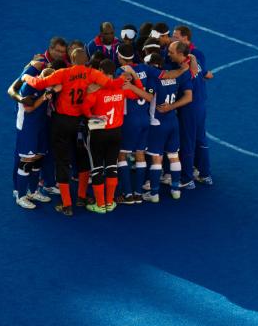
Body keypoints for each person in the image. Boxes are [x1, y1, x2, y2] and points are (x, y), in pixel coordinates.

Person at [22, 48, 131, 215]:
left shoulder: (64, 73)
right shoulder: (92, 73)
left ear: (72, 61)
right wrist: (125, 76)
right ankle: (81, 196)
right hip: (83, 122)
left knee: (62, 161)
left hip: (63, 122)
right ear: (86, 60)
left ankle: (67, 205)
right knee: (83, 159)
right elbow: (112, 84)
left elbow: (39, 84)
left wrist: (25, 76)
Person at [82, 59, 146, 213]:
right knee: (112, 167)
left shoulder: (96, 89)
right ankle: (110, 203)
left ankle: (100, 204)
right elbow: (139, 94)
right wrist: (134, 76)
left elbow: (85, 109)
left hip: (98, 130)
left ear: (101, 72)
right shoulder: (121, 87)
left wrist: (93, 116)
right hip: (116, 132)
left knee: (97, 168)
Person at [142, 52, 192, 202]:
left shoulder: (152, 79)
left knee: (157, 159)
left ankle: (154, 194)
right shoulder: (173, 77)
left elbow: (147, 98)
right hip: (173, 120)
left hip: (157, 123)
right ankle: (176, 190)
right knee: (173, 156)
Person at [172, 26, 214, 186]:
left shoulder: (185, 59)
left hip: (189, 105)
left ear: (185, 38)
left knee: (188, 140)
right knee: (200, 138)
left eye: (175, 37)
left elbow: (190, 74)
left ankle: (187, 179)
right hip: (200, 103)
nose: (172, 38)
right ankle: (205, 174)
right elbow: (203, 74)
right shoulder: (198, 55)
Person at [12, 67, 59, 209]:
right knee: (27, 161)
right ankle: (20, 196)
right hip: (28, 128)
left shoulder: (48, 86)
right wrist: (44, 96)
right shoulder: (28, 86)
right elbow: (29, 108)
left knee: (37, 159)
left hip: (41, 125)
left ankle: (33, 191)